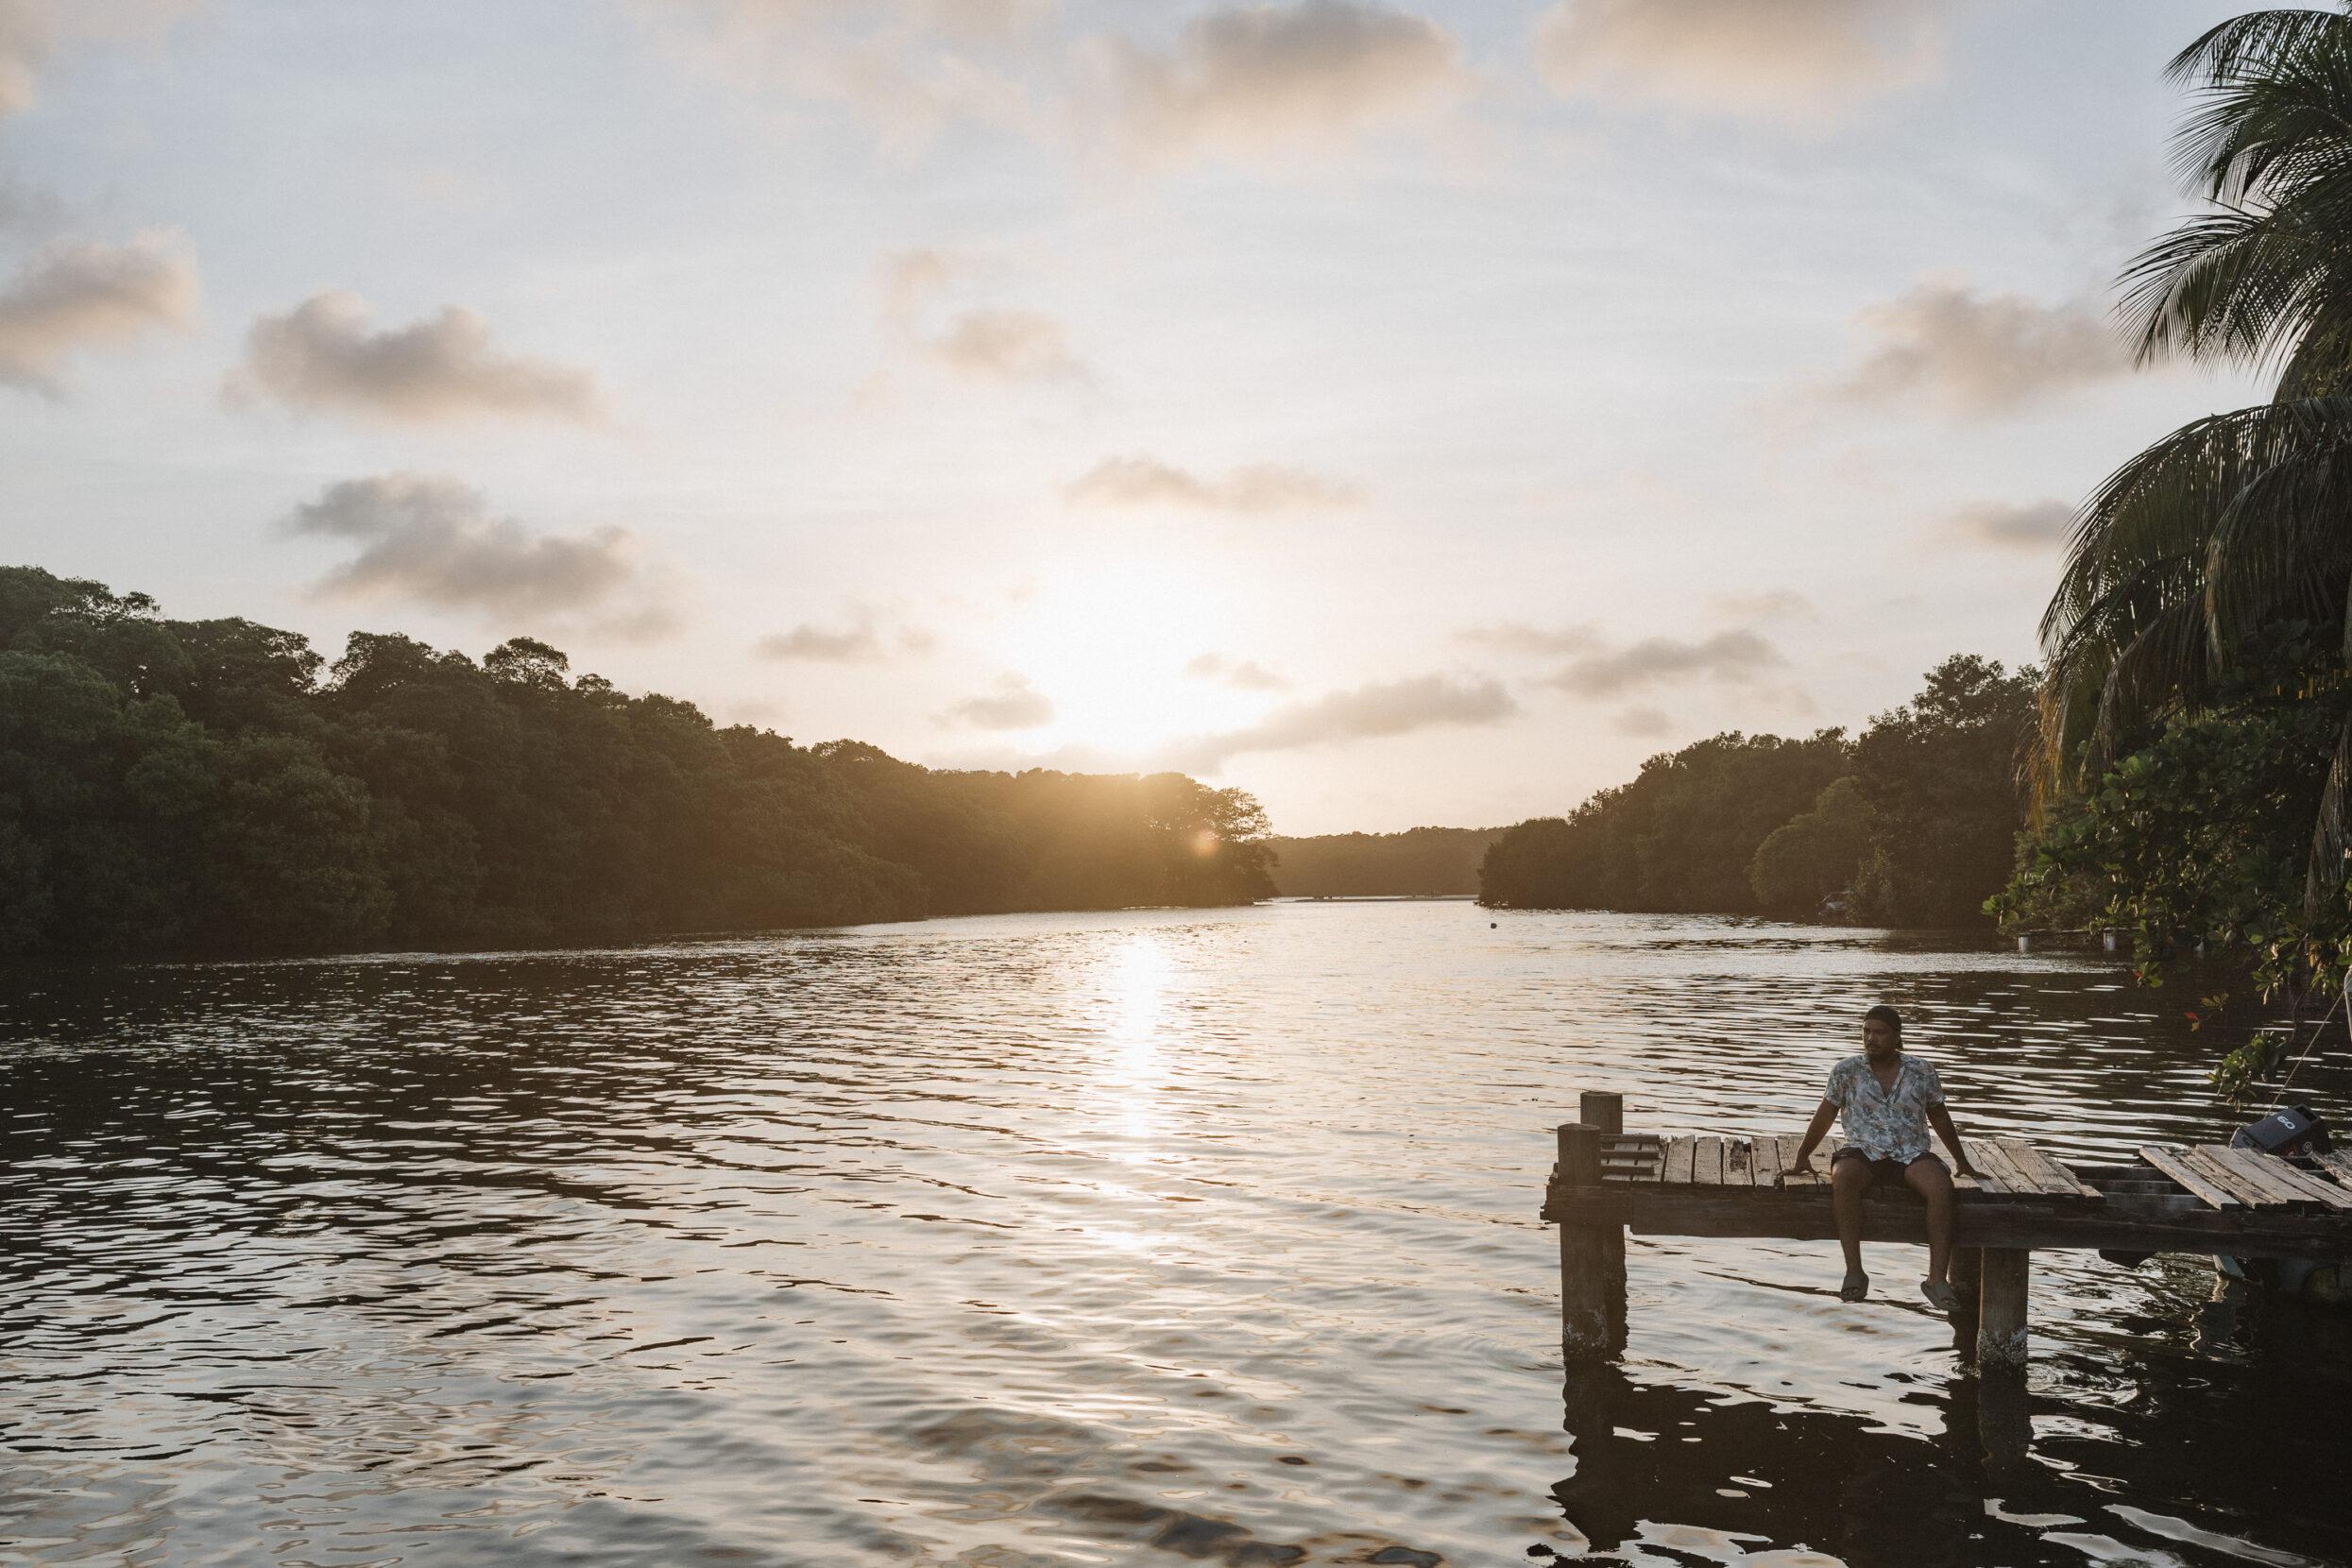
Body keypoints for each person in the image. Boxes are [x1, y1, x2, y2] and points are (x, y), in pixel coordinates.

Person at [1782, 1003, 1981, 1309]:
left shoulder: (1922, 1071)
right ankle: (1854, 1271)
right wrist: (1801, 1156)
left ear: (1897, 1036)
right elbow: (1824, 1115)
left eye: (1879, 1033)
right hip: (1864, 1150)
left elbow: (1940, 1116)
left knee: (1941, 1186)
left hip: (1910, 1152)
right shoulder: (1846, 1070)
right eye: (1866, 1031)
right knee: (1844, 1176)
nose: (1871, 1038)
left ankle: (1936, 1279)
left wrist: (1961, 1160)